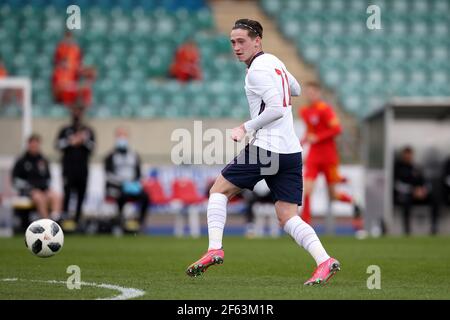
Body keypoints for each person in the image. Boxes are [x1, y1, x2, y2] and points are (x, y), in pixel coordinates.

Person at [185, 19, 340, 286]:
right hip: (290, 152)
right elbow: (296, 89)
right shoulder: (274, 61)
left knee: (218, 191)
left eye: (241, 41)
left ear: (257, 40)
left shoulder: (256, 71)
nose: (236, 47)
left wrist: (244, 126)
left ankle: (214, 249)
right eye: (233, 42)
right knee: (287, 216)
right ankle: (324, 260)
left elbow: (277, 109)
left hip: (267, 148)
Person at [298, 82, 359, 224]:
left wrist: (318, 137)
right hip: (314, 155)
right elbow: (310, 132)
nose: (310, 95)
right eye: (308, 92)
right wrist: (301, 142)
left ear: (318, 93)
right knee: (307, 190)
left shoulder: (325, 110)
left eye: (313, 92)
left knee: (333, 196)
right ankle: (305, 225)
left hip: (329, 156)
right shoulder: (305, 111)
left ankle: (354, 202)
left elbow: (337, 129)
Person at [55, 106, 95, 230]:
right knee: (67, 194)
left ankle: (77, 220)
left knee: (81, 195)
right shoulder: (65, 130)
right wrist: (70, 142)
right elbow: (57, 145)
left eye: (79, 111)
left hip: (82, 169)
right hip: (68, 169)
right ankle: (66, 219)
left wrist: (83, 140)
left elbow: (92, 147)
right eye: (75, 111)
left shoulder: (88, 131)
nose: (77, 114)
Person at [104, 127, 150, 234]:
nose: (122, 139)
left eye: (124, 136)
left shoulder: (134, 155)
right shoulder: (111, 156)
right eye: (120, 136)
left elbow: (139, 173)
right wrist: (122, 183)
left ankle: (138, 223)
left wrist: (135, 183)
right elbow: (108, 174)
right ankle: (120, 224)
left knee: (146, 197)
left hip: (132, 187)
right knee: (120, 197)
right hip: (118, 187)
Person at [12, 134, 62, 220]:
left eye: (36, 144)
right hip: (29, 191)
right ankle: (46, 222)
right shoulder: (21, 161)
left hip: (43, 189)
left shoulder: (43, 160)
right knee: (39, 197)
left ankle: (55, 220)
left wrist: (46, 187)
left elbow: (48, 178)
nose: (34, 146)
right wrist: (29, 187)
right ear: (28, 144)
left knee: (56, 196)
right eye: (32, 144)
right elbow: (15, 180)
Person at [393, 146, 439, 235]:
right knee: (405, 203)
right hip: (406, 195)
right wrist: (412, 190)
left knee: (434, 200)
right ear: (403, 155)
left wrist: (424, 190)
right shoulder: (398, 168)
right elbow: (397, 185)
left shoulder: (416, 167)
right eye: (406, 155)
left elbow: (426, 182)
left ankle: (434, 227)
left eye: (410, 155)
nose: (408, 157)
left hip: (420, 195)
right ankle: (407, 230)